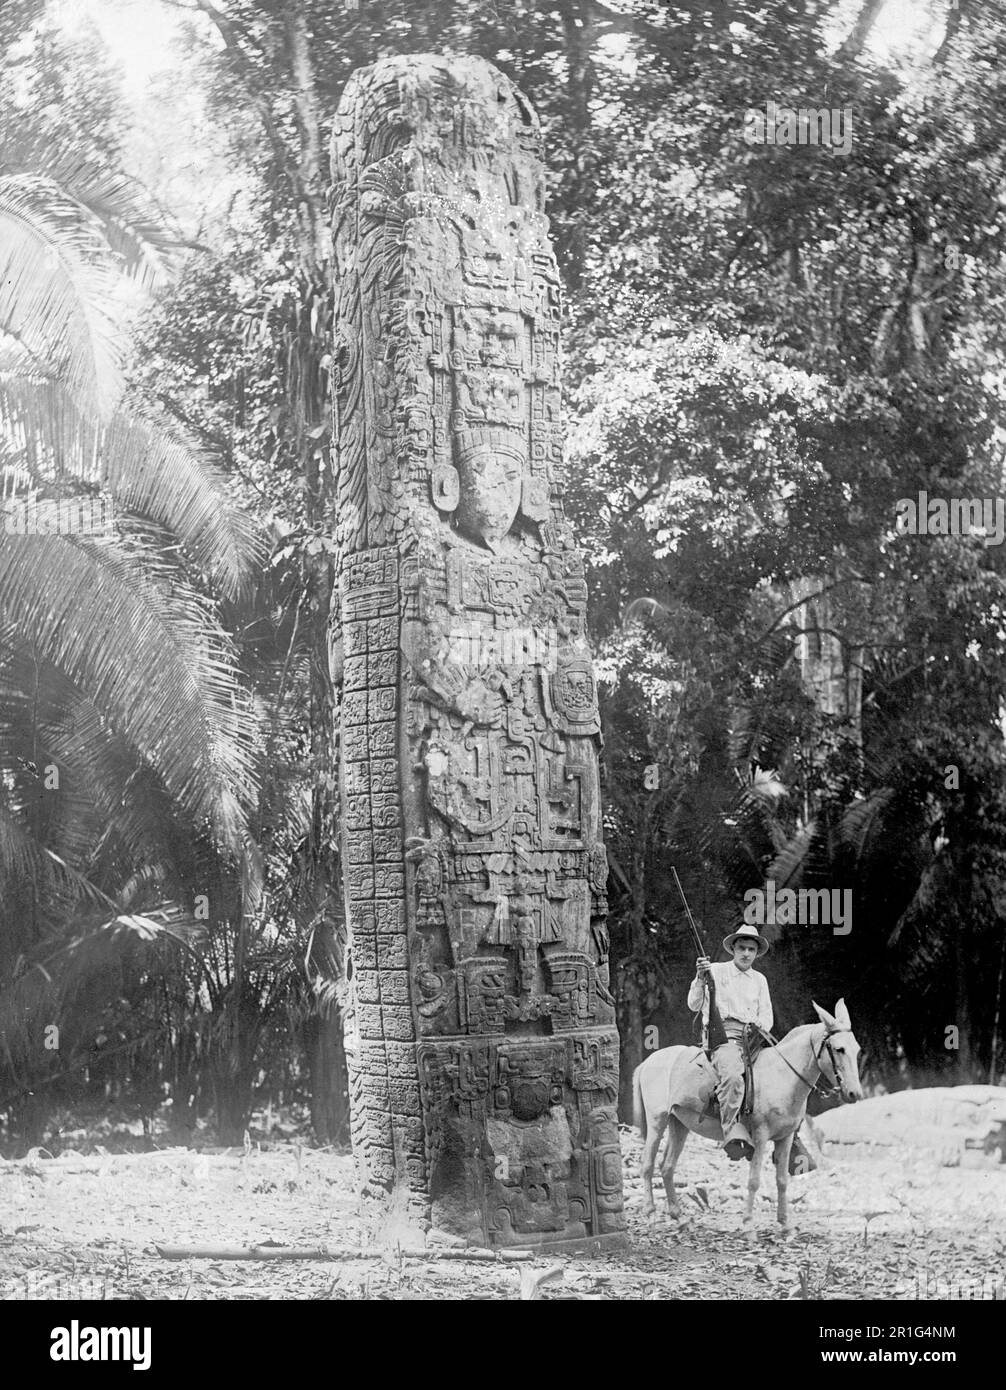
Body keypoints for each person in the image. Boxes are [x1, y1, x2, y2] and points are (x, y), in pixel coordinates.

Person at [687, 922, 773, 1161]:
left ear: (756, 953)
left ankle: (791, 1136)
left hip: (753, 1038)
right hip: (722, 1036)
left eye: (751, 950)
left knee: (784, 1072)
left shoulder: (760, 980)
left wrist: (757, 1031)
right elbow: (693, 1005)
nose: (746, 954)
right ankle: (732, 1132)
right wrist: (700, 978)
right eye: (742, 948)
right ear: (733, 949)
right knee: (734, 1075)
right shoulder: (714, 970)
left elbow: (767, 1016)